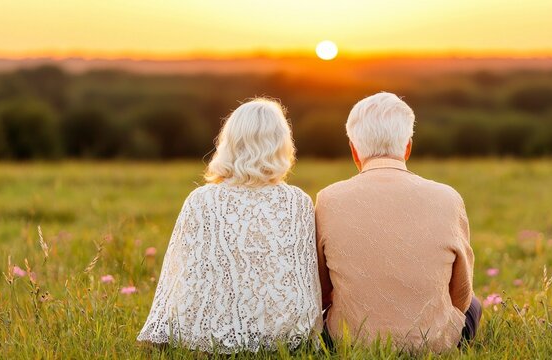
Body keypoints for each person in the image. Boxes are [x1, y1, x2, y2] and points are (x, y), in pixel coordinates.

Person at [137, 98, 322, 353]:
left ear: (230, 143)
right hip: (284, 339)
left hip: (210, 338)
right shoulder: (297, 201)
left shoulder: (201, 199)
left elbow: (182, 281)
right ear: (282, 145)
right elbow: (304, 283)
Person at [315, 92, 480, 353]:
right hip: (435, 345)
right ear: (408, 147)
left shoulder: (327, 199)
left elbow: (323, 290)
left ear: (354, 150)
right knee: (476, 305)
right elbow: (461, 296)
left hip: (350, 343)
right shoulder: (448, 197)